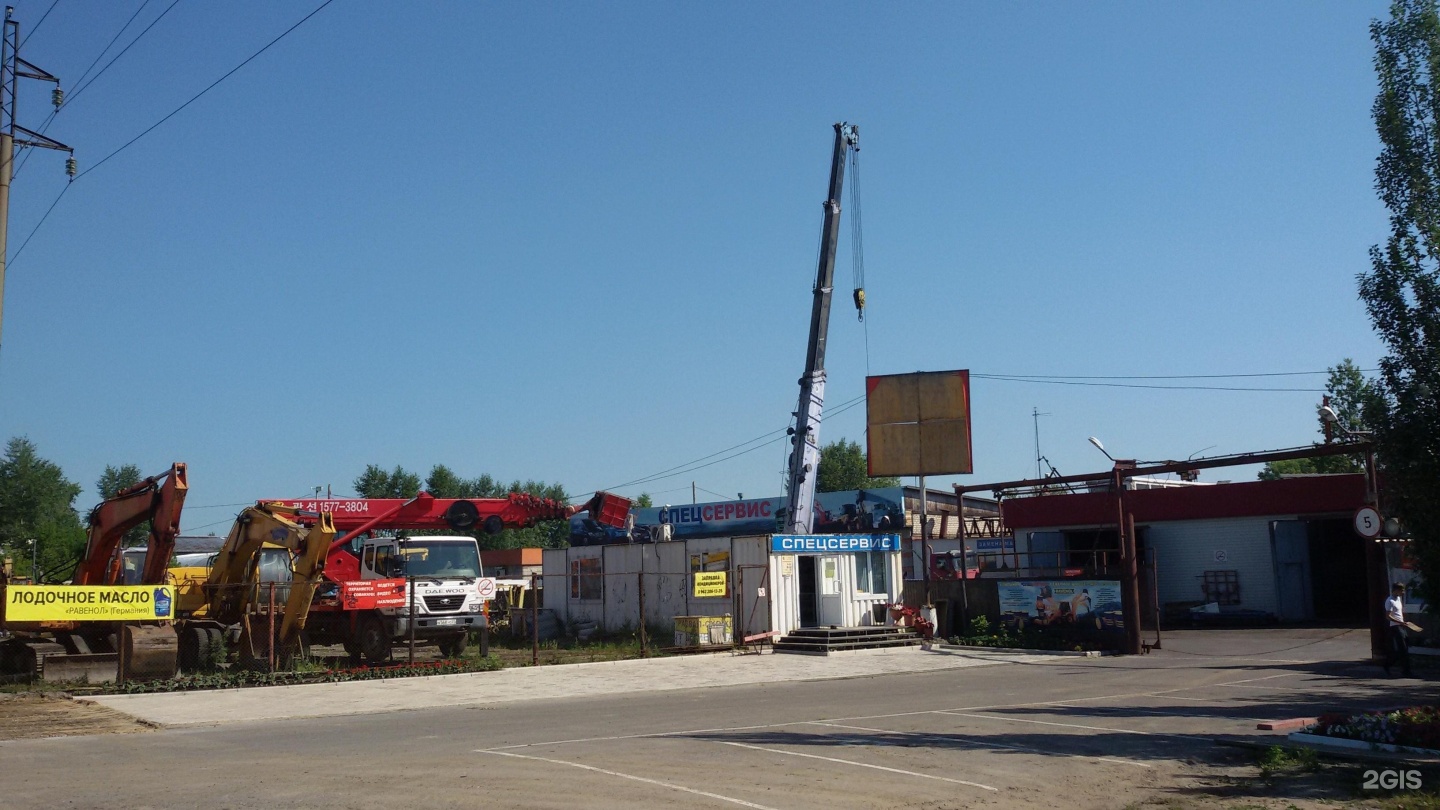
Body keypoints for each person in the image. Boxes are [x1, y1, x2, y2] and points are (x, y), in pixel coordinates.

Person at [1384, 582, 1413, 678]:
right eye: (1401, 590)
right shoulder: (1390, 601)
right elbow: (1388, 616)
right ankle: (1406, 671)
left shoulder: (1398, 599)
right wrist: (1399, 622)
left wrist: (1403, 622)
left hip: (1401, 626)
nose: (1403, 592)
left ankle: (1388, 664)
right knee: (1403, 649)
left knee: (1404, 647)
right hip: (1395, 627)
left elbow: (1399, 613)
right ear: (1395, 590)